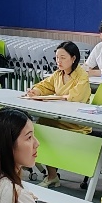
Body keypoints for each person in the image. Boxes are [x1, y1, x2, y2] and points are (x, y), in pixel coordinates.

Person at [24, 41, 92, 188]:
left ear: (73, 58)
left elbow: (76, 97)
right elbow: (45, 85)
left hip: (75, 123)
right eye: (56, 58)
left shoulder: (82, 76)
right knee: (40, 127)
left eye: (62, 58)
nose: (58, 61)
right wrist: (35, 91)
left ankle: (51, 175)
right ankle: (51, 175)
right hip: (58, 119)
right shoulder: (58, 74)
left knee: (47, 131)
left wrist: (55, 97)